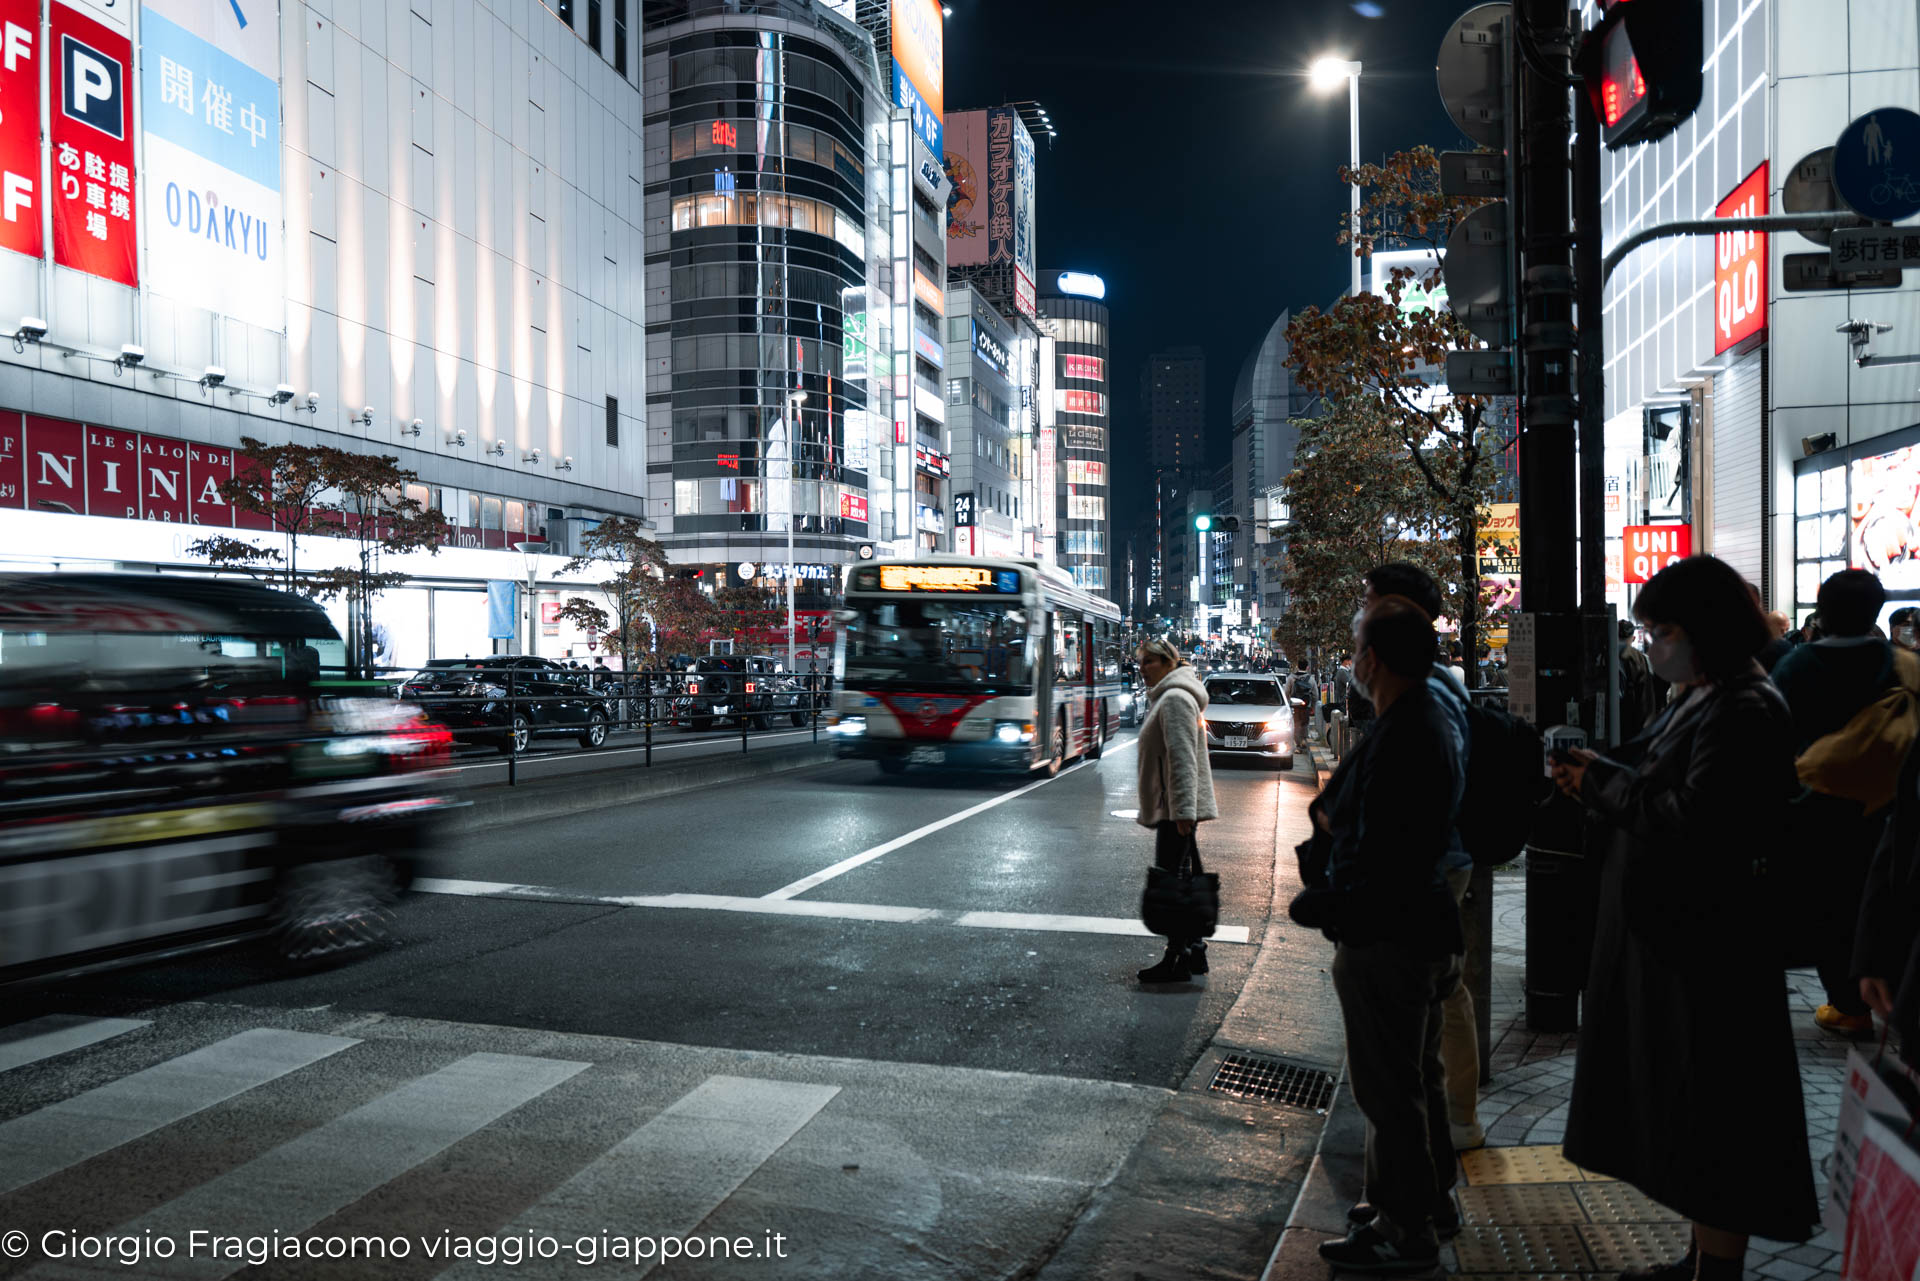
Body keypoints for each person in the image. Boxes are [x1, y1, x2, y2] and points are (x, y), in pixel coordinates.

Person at [1551, 555, 1818, 1278]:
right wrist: (1599, 770)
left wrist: (1600, 785)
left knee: (1718, 1116)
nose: (1651, 645)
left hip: (1715, 950)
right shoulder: (1702, 694)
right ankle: (1698, 1254)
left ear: (1704, 630)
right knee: (1691, 1115)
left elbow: (1700, 821)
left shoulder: (1745, 706)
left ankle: (1715, 1270)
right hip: (1681, 942)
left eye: (1661, 630)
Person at [1300, 597, 1465, 1273]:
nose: (1352, 658)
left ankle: (1407, 1228)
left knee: (1390, 1091)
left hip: (1388, 936)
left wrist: (1334, 901)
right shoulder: (1417, 717)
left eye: (1357, 645)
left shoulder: (1408, 730)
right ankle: (1424, 1204)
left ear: (1373, 657)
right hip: (1416, 925)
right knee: (1413, 1077)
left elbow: (1381, 847)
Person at [1361, 563, 1482, 1151]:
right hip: (1434, 864)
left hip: (1429, 869)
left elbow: (1426, 797)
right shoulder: (1429, 686)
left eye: (1369, 602)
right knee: (1439, 993)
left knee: (1432, 997)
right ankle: (1449, 1122)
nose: (1361, 613)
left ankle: (1455, 1119)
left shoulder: (1426, 694)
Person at [1770, 568, 1899, 1036]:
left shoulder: (1797, 667)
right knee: (1882, 901)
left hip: (1817, 809)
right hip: (1889, 810)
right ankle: (1889, 997)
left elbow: (1773, 742)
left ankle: (1848, 1005)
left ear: (1821, 612)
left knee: (1829, 906)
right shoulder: (1900, 665)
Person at [1132, 636, 1219, 984]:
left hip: (1176, 809)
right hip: (1175, 807)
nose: (1141, 670)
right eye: (1140, 663)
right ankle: (1192, 950)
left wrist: (1183, 811)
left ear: (1169, 663)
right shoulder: (1173, 697)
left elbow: (1182, 760)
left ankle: (1177, 957)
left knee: (1171, 885)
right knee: (1182, 879)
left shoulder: (1175, 700)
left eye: (1149, 662)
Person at [1617, 619, 1660, 740]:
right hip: (1633, 724)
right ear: (1633, 638)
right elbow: (1646, 699)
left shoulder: (1604, 654)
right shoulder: (1640, 659)